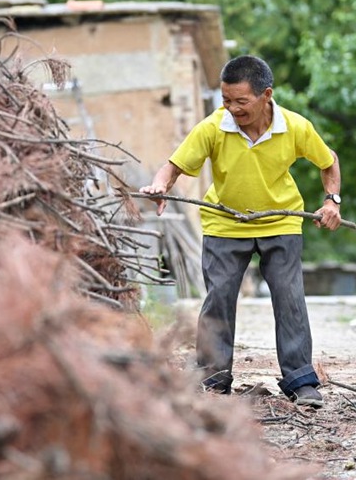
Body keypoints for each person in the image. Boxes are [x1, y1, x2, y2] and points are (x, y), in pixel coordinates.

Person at [140, 55, 341, 408]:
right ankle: (212, 379)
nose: (232, 108)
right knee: (219, 296)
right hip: (225, 223)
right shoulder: (214, 127)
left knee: (289, 295)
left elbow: (329, 162)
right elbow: (173, 166)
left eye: (241, 101)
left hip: (281, 222)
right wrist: (159, 186)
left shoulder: (294, 127)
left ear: (266, 95)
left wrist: (332, 202)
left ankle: (300, 380)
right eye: (226, 101)